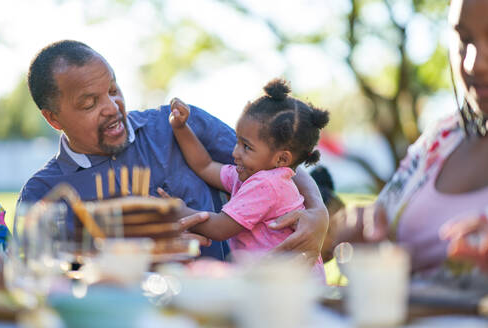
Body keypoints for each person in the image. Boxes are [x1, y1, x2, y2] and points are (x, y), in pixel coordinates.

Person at [18, 40, 328, 262]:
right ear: (53, 118)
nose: (113, 108)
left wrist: (317, 211)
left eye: (113, 90)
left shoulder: (175, 124)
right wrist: (140, 250)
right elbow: (42, 283)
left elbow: (277, 160)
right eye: (89, 103)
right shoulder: (43, 193)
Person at [326, 0, 488, 276]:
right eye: (464, 39)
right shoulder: (441, 138)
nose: (475, 64)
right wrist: (360, 234)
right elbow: (378, 224)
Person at [162, 78, 328, 279]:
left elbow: (219, 228)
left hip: (292, 287)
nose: (234, 152)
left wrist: (175, 211)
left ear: (281, 158)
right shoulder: (250, 174)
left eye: (246, 147)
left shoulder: (268, 184)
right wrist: (181, 128)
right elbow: (204, 166)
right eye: (237, 141)